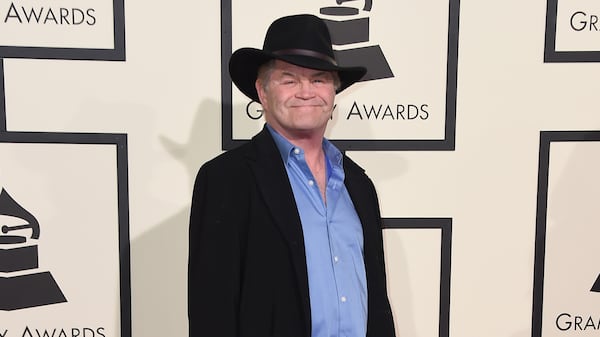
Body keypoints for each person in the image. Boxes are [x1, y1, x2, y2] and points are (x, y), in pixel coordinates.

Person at [188, 14, 396, 337]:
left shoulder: (358, 184)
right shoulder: (225, 182)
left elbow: (377, 306)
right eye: (289, 79)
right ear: (262, 91)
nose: (306, 92)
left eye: (318, 79)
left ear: (333, 91)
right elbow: (211, 316)